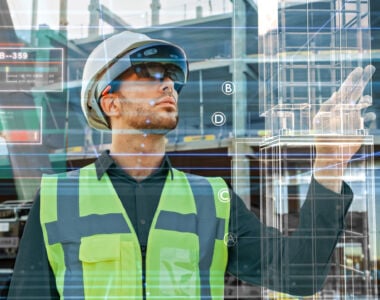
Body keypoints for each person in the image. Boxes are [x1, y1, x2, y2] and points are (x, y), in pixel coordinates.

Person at [7, 31, 374, 299]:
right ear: (110, 102)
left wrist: (328, 163)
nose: (167, 83)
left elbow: (298, 274)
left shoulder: (213, 199)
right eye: (149, 73)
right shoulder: (58, 197)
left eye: (170, 77)